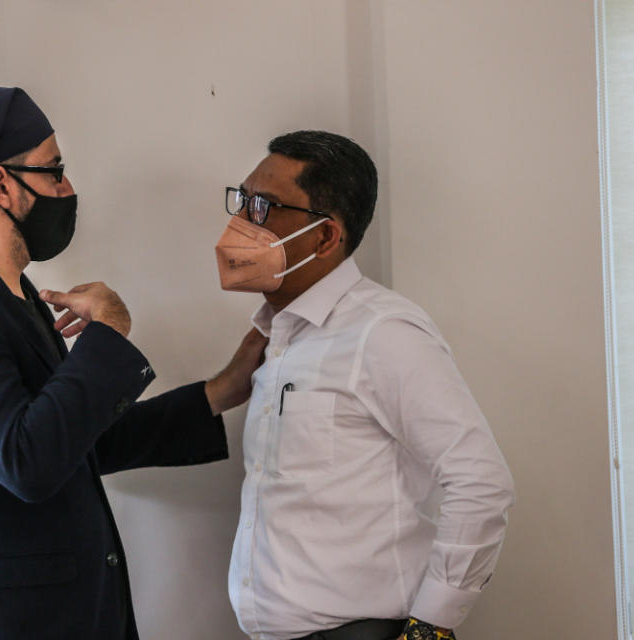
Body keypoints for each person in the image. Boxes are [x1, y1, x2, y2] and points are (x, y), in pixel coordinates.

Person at [0, 86, 266, 640]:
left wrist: (220, 392)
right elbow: (27, 461)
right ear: (1, 184)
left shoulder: (1, 290)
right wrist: (107, 335)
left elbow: (77, 440)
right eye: (54, 170)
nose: (68, 188)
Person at [215, 130, 515, 640]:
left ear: (326, 237)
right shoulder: (278, 337)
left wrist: (430, 627)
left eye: (264, 206)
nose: (242, 222)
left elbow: (481, 481)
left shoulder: (382, 333)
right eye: (243, 200)